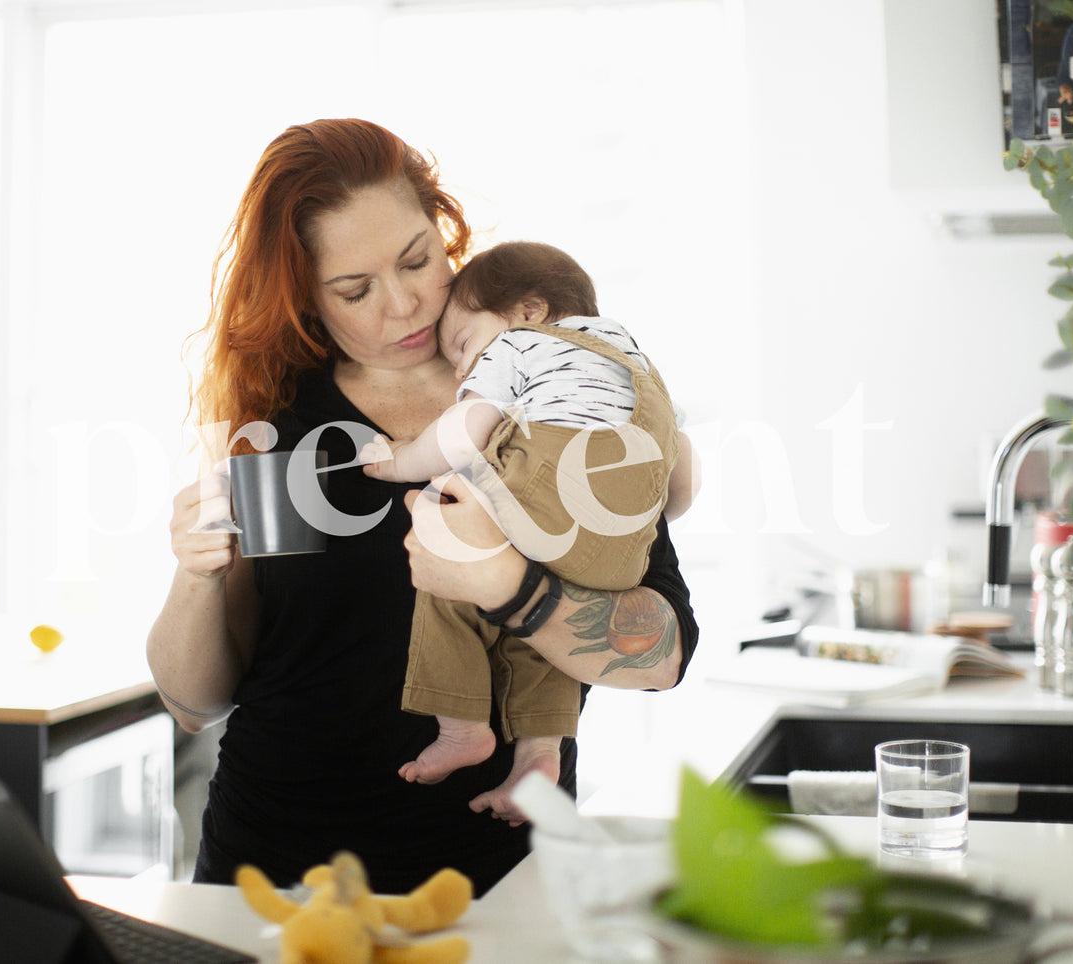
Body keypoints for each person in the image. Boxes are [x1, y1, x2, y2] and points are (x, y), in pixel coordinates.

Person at [146, 118, 699, 897]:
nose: (402, 305)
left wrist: (511, 587)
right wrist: (195, 576)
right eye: (353, 289)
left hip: (506, 881)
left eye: (416, 260)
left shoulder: (555, 389)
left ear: (446, 232)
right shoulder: (282, 421)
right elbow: (195, 701)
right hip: (277, 877)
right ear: (303, 295)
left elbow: (660, 658)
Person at [358, 241, 689, 798]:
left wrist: (399, 461)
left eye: (462, 344)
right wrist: (642, 518)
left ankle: (462, 728)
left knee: (446, 556)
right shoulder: (636, 360)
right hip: (624, 537)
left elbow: (464, 429)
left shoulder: (520, 346)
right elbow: (681, 469)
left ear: (530, 311)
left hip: (553, 490)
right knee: (543, 628)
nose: (460, 364)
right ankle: (539, 754)